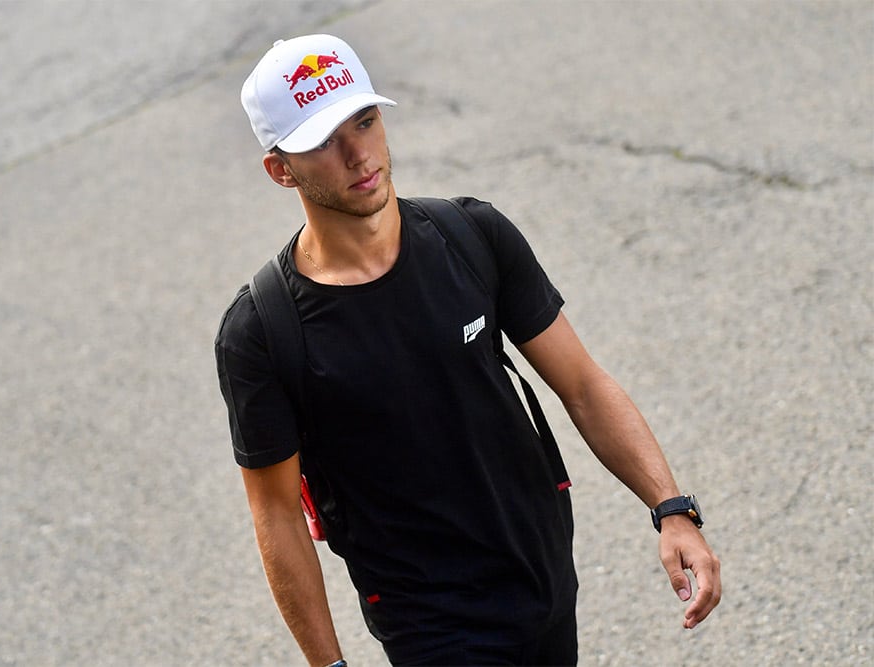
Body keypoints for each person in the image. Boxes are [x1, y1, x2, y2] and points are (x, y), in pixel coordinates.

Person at [215, 34, 721, 666]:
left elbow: (584, 386)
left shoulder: (470, 234)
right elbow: (277, 516)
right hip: (428, 617)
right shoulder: (262, 331)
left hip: (542, 568)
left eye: (365, 121)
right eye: (322, 141)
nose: (357, 154)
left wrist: (671, 510)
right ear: (280, 168)